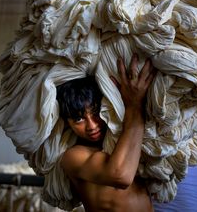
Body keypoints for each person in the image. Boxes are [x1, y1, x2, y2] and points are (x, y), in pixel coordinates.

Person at [56, 54, 156, 212]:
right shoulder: (73, 157)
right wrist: (134, 105)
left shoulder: (126, 139)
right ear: (67, 123)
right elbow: (121, 176)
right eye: (79, 119)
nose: (92, 125)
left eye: (96, 112)